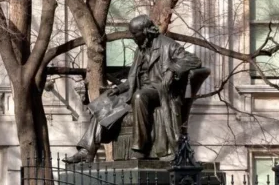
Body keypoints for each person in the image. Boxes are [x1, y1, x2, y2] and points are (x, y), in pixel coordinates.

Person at [65, 15, 202, 163]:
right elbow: (131, 79)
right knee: (103, 104)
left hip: (160, 90)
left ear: (146, 31)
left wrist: (172, 70)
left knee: (139, 96)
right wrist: (118, 89)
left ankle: (139, 149)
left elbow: (194, 60)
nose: (132, 37)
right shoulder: (140, 50)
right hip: (139, 90)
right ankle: (87, 150)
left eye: (134, 33)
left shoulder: (167, 45)